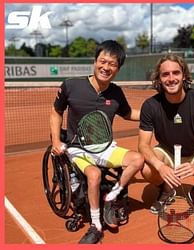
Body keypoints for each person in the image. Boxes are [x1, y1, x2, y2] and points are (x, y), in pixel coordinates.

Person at [50, 40, 144, 244]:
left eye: (112, 64)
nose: (106, 67)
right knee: (93, 175)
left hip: (105, 148)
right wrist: (56, 140)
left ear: (118, 68)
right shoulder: (71, 85)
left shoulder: (116, 92)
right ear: (95, 61)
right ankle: (95, 225)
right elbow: (56, 112)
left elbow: (128, 114)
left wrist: (155, 114)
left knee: (137, 159)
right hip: (78, 149)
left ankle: (112, 196)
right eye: (103, 61)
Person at [138, 54, 194, 220]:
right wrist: (160, 167)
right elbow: (143, 145)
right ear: (159, 79)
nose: (171, 78)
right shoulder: (150, 105)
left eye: (175, 73)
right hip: (167, 152)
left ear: (184, 75)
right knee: (147, 168)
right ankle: (165, 189)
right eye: (165, 74)